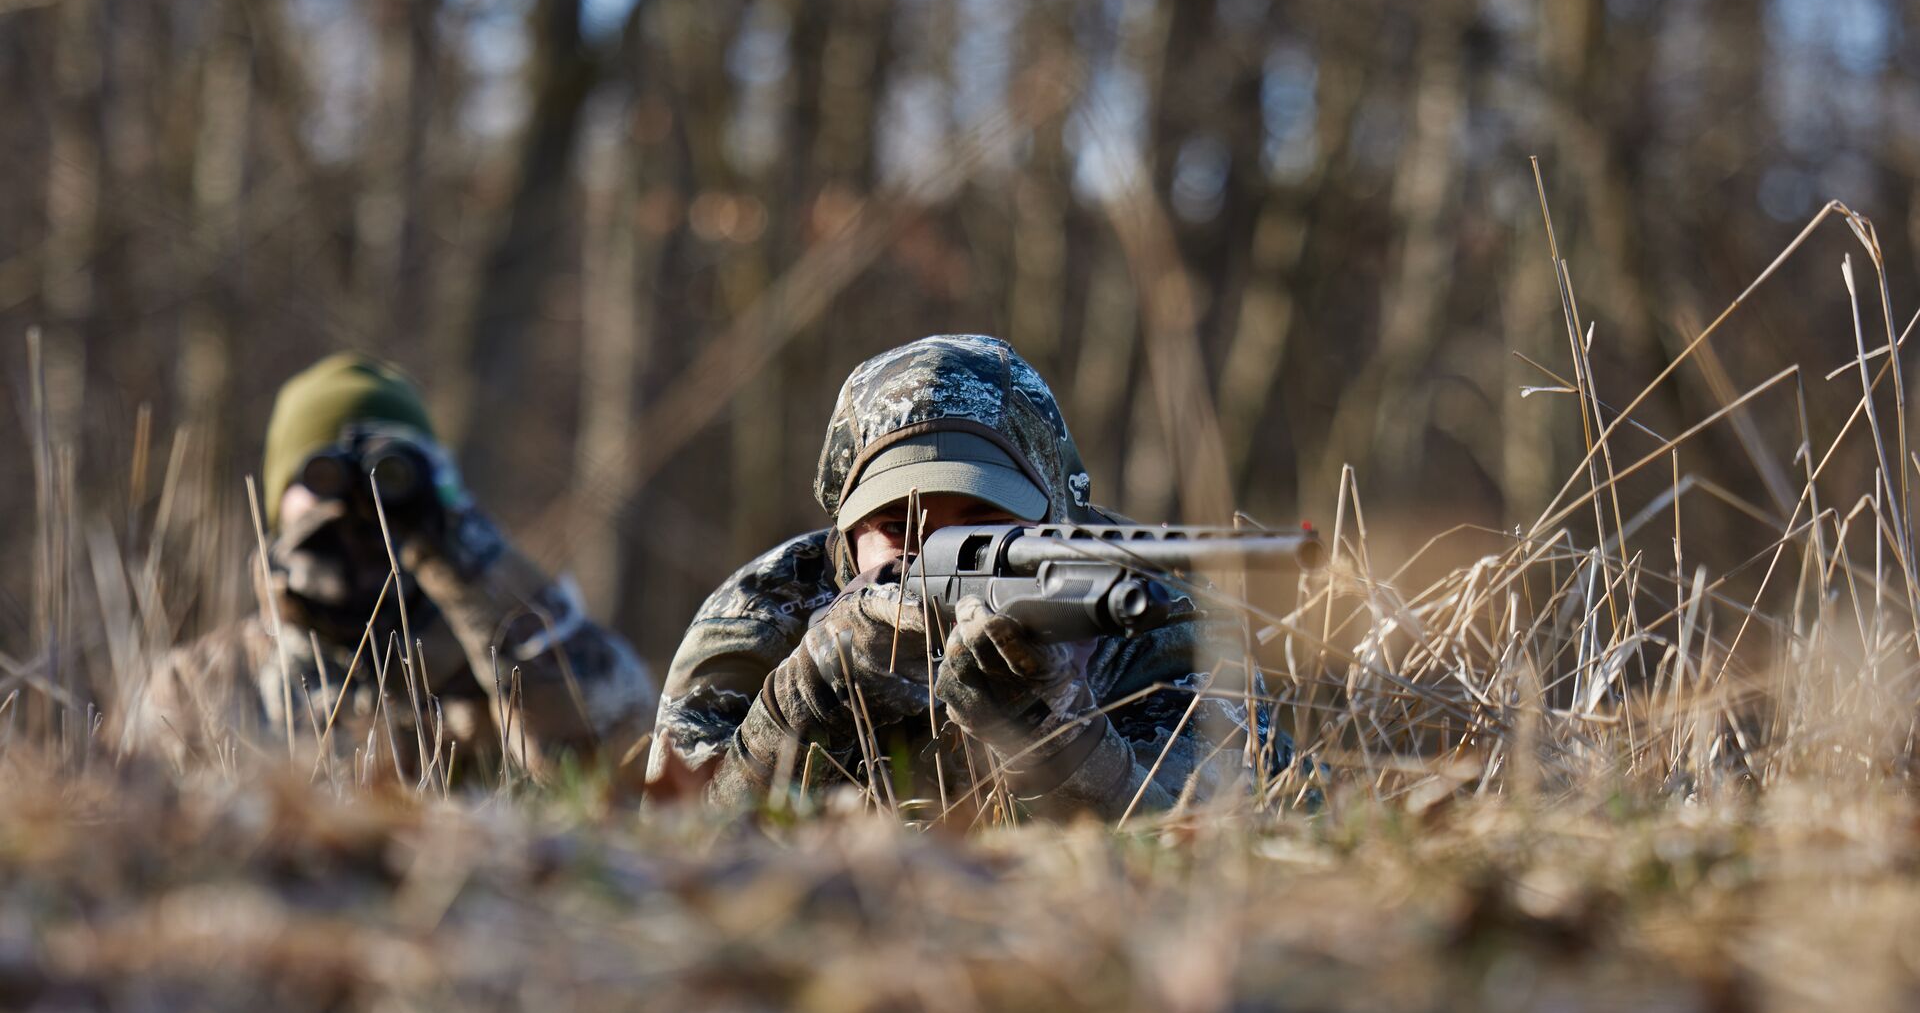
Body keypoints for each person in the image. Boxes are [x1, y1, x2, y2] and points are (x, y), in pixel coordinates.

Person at [649, 333, 1280, 820]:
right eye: (897, 526)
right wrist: (809, 699)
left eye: (986, 520)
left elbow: (1204, 847)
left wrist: (1054, 731)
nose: (933, 551)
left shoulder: (1156, 616)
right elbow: (672, 841)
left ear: (1055, 511)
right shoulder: (763, 614)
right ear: (845, 536)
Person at [124, 354, 654, 778]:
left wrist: (469, 558)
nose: (359, 508)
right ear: (274, 504)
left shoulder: (500, 662)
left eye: (385, 480)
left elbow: (617, 753)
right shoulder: (198, 686)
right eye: (323, 479)